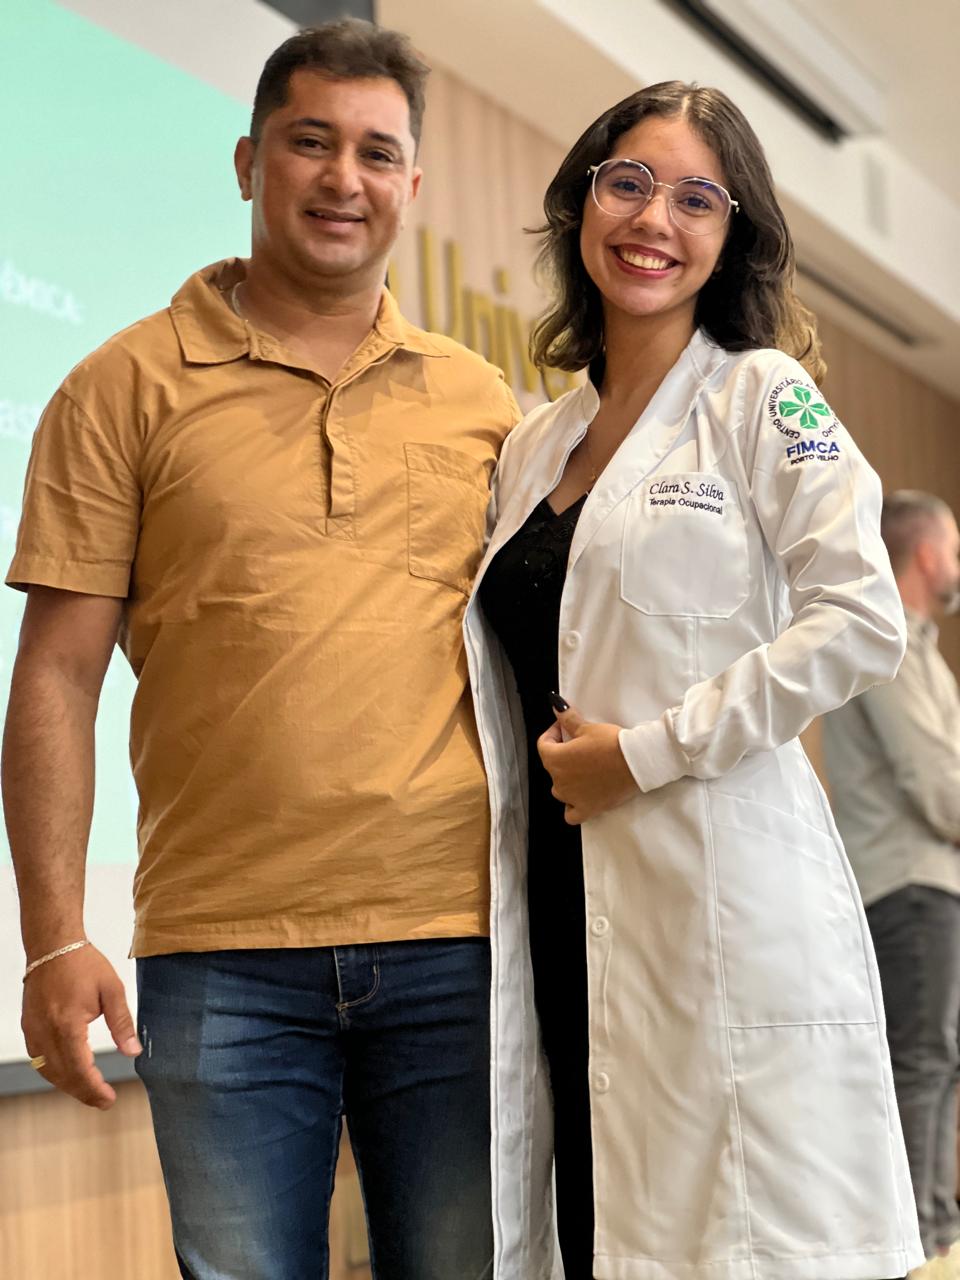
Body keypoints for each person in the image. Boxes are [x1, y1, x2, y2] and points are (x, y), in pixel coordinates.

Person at [2, 20, 517, 1280]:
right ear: (247, 161)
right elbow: (57, 675)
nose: (345, 178)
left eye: (377, 153)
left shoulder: (483, 402)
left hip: (456, 937)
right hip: (221, 951)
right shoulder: (119, 385)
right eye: (310, 142)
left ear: (411, 183)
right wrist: (54, 935)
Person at [464, 82, 924, 1280]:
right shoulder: (536, 441)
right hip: (561, 899)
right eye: (628, 182)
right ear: (582, 202)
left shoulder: (764, 396)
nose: (653, 219)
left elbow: (862, 616)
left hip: (717, 893)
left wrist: (647, 751)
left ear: (733, 234)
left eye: (696, 198)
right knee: (596, 1233)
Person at [823, 490, 960, 1270]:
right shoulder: (890, 642)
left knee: (937, 1061)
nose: (957, 563)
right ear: (928, 555)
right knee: (921, 1063)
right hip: (908, 888)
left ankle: (935, 1235)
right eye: (955, 549)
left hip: (927, 885)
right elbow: (936, 786)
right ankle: (918, 1247)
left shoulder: (920, 647)